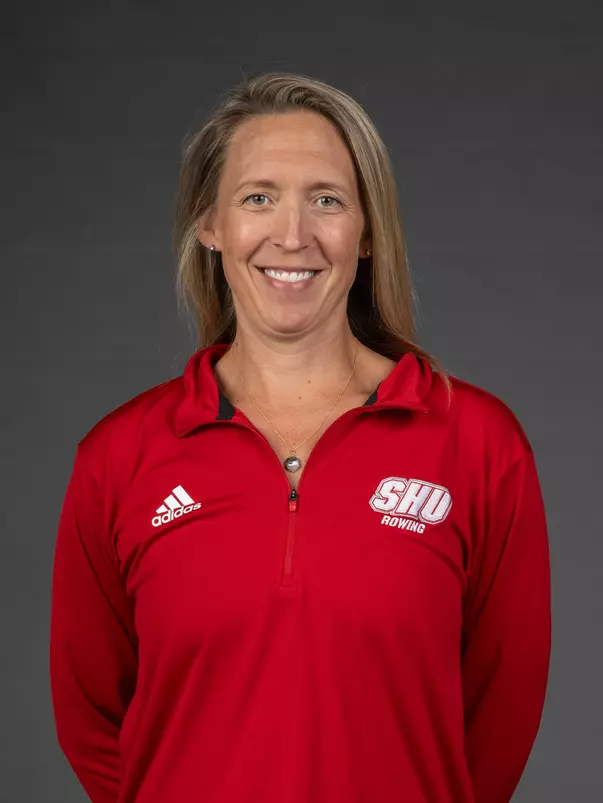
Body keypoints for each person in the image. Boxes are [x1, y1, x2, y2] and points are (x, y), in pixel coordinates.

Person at [49, 71, 551, 803]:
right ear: (210, 225)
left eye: (326, 199)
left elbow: (497, 719)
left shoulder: (476, 442)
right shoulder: (118, 458)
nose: (292, 235)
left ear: (367, 229)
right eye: (258, 198)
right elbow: (91, 717)